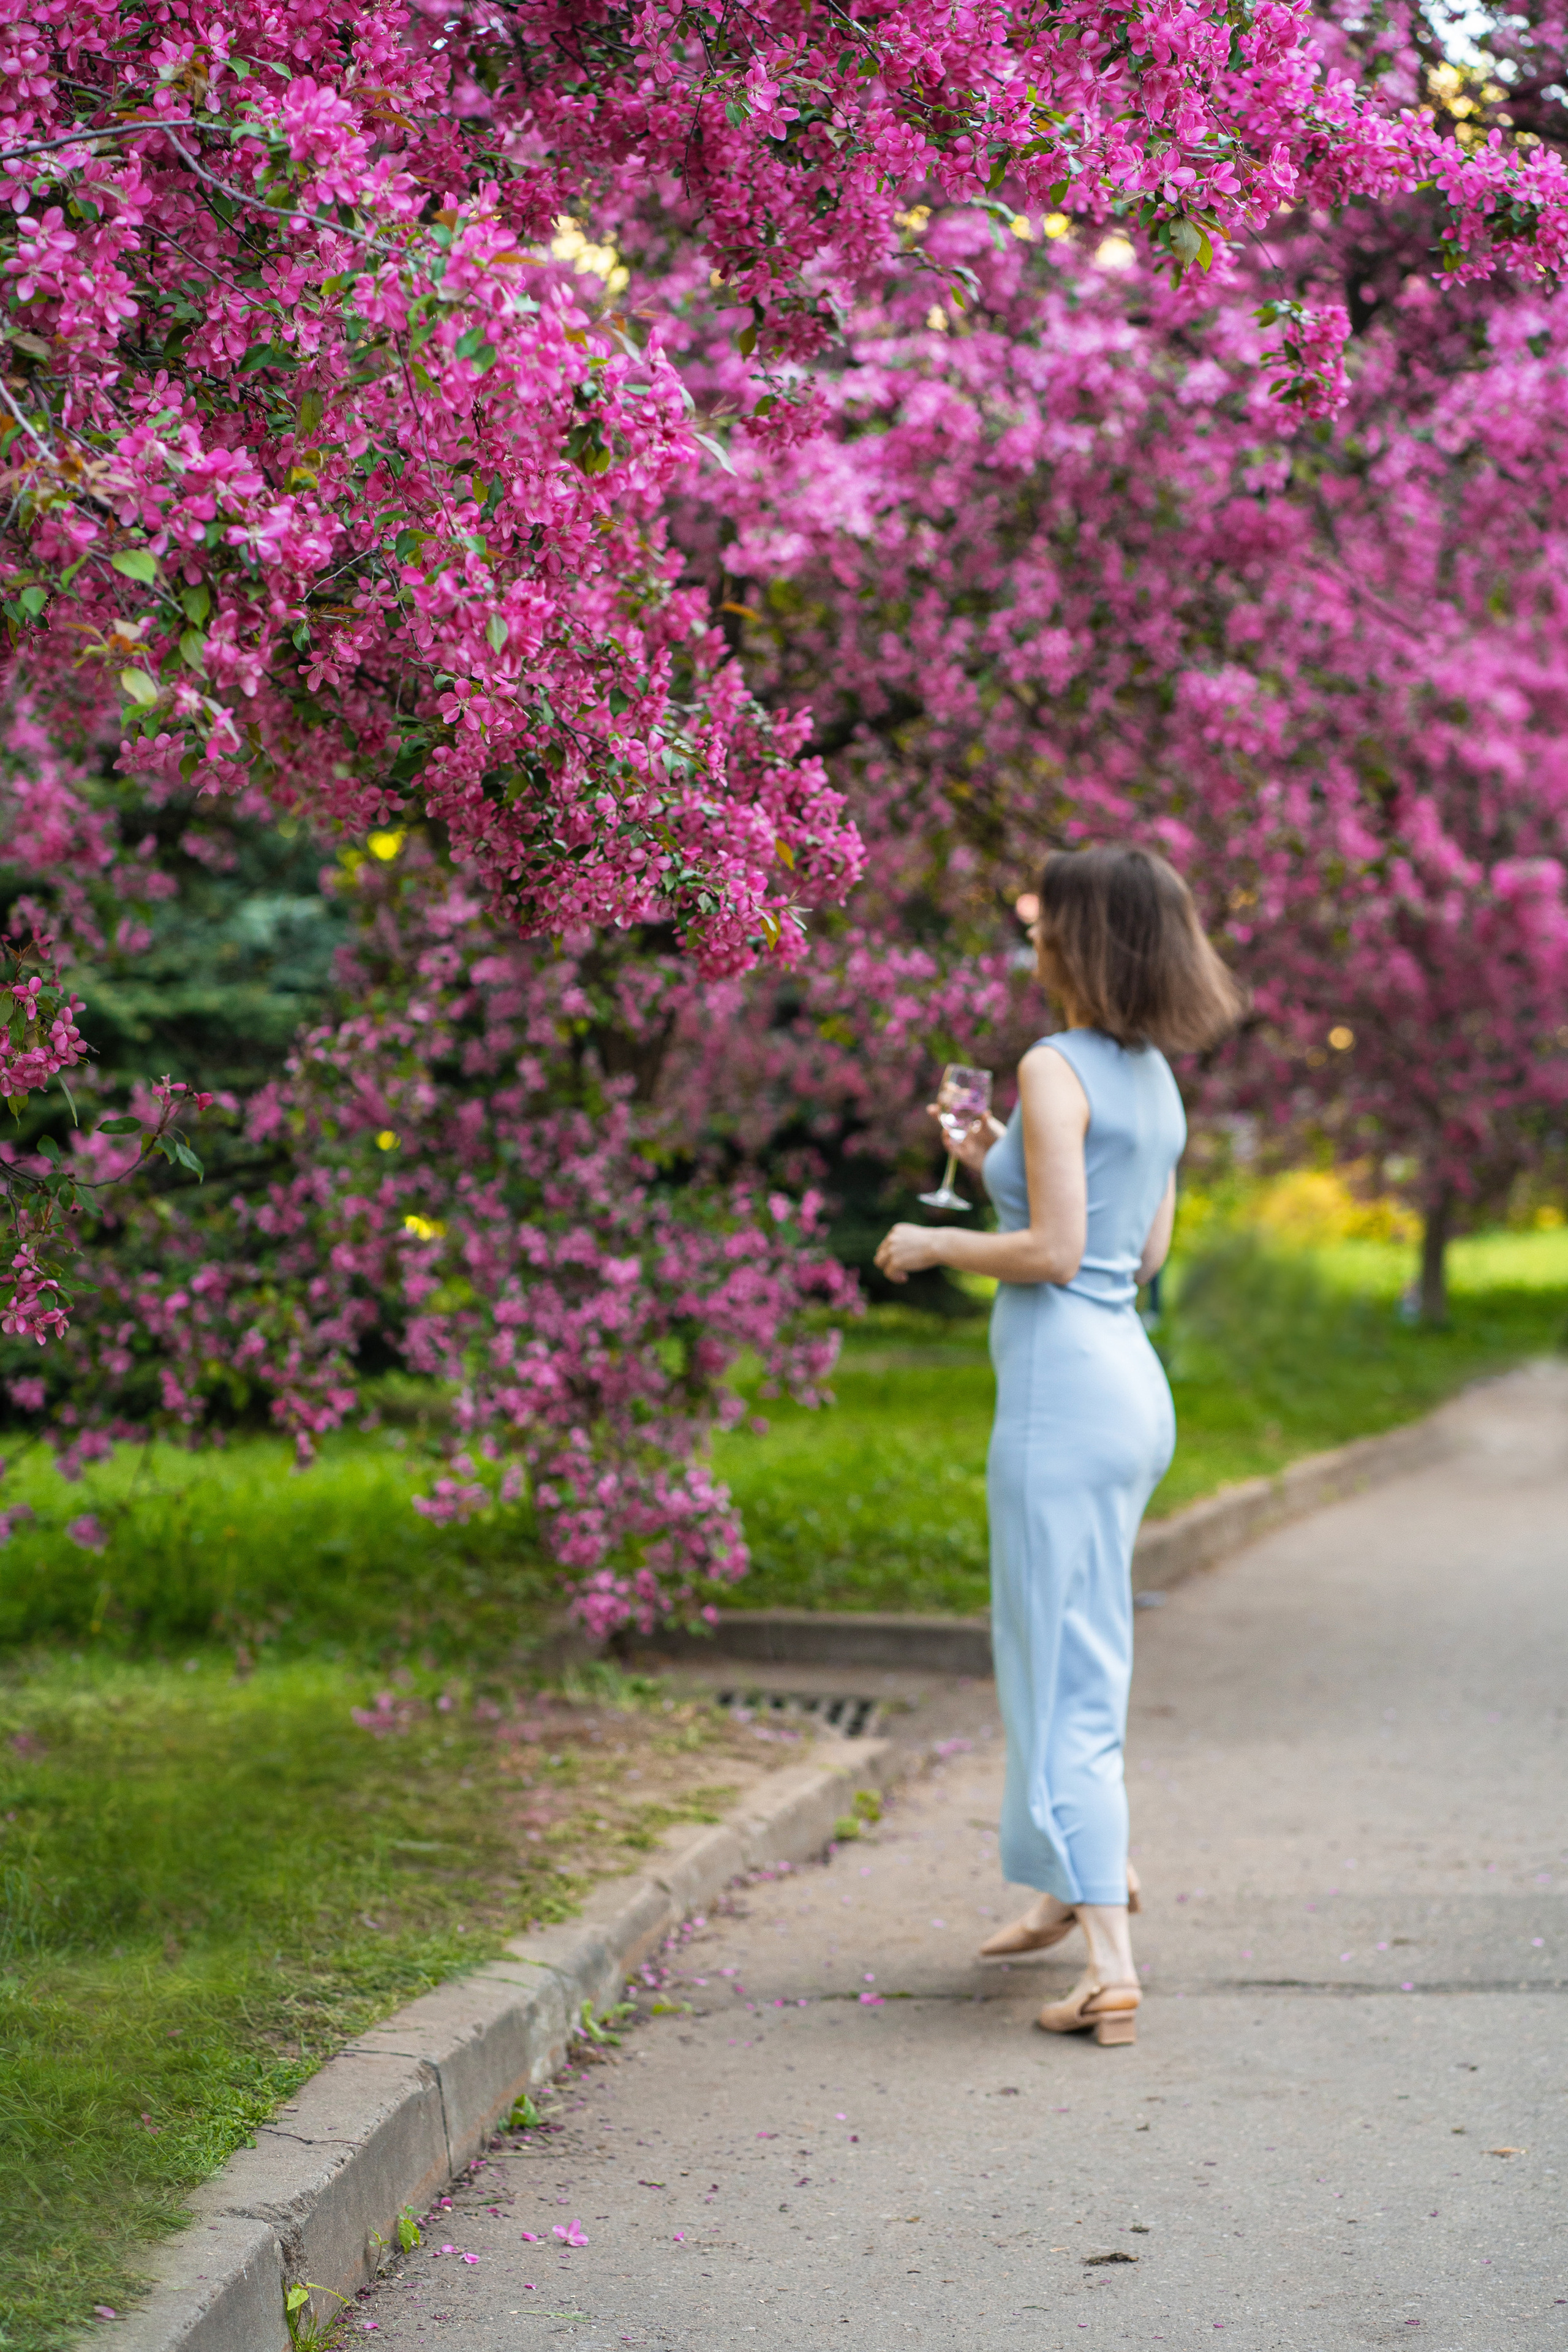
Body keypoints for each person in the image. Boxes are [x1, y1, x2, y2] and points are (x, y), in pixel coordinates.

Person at [874, 844, 1243, 2046]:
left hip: (1061, 1395)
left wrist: (928, 1245)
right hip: (1127, 1385)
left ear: (1079, 940)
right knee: (1056, 1644)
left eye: (1041, 923)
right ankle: (1060, 1880)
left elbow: (1046, 1258)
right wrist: (983, 1155)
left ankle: (1107, 1955)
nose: (1027, 940)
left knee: (1060, 1667)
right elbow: (1126, 1258)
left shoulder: (1050, 1064)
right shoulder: (1150, 1080)